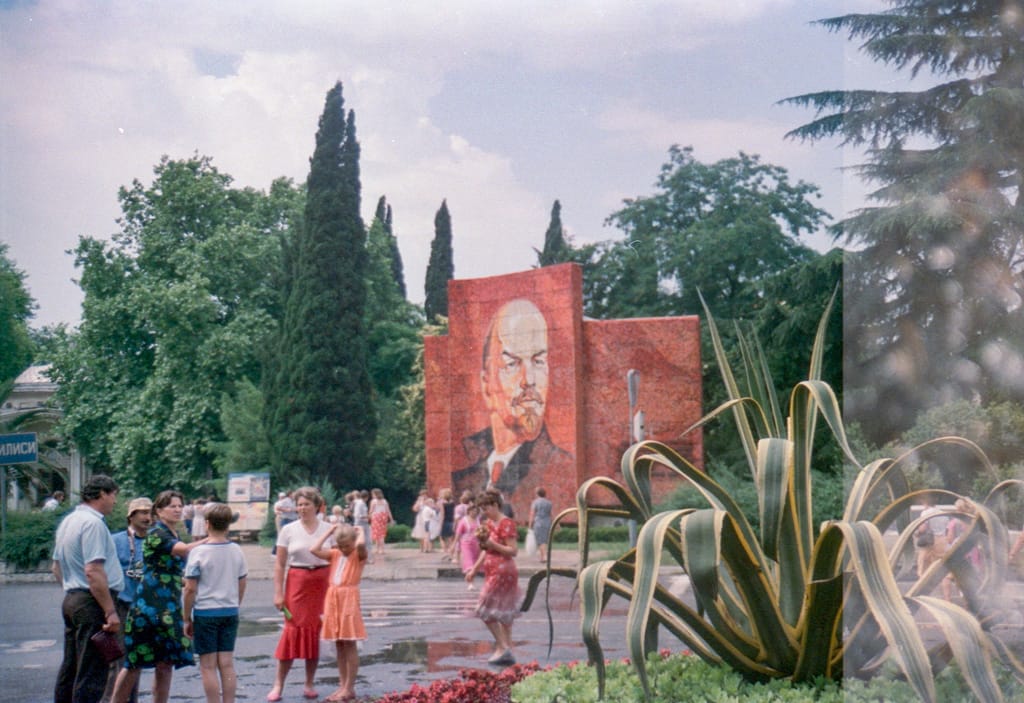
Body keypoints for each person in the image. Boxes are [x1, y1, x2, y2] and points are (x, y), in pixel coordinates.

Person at [452, 299, 573, 517]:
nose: (529, 380)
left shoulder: (564, 469)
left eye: (538, 361)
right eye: (512, 364)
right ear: (486, 384)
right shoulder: (464, 477)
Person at [112, 489, 208, 703]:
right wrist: (213, 538)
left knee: (165, 663)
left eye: (179, 506)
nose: (177, 509)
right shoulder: (157, 533)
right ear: (159, 510)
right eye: (172, 506)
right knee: (134, 663)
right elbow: (184, 550)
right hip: (149, 606)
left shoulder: (173, 533)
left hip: (169, 605)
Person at [52, 474, 124, 703]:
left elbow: (56, 566)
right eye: (113, 495)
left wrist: (73, 591)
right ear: (102, 494)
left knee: (71, 667)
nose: (114, 501)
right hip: (92, 601)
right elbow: (93, 570)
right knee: (92, 671)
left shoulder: (69, 521)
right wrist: (110, 611)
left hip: (74, 598)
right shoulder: (93, 523)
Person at [268, 486, 332, 702]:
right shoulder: (288, 530)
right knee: (292, 631)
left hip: (323, 583)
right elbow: (280, 564)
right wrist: (278, 593)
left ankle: (309, 683)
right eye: (299, 505)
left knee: (315, 633)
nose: (302, 508)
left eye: (307, 504)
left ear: (317, 506)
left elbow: (339, 556)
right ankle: (278, 684)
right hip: (297, 582)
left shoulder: (328, 528)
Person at [183, 503, 248, 703]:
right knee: (227, 664)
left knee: (208, 665)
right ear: (228, 525)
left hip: (206, 612)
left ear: (207, 524)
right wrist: (235, 603)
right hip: (229, 611)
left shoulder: (199, 552)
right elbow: (242, 582)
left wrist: (186, 617)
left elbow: (190, 588)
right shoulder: (236, 550)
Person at [103, 496, 153, 703]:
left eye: (150, 513)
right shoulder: (116, 540)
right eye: (143, 513)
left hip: (145, 606)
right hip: (121, 604)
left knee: (137, 658)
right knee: (120, 659)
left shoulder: (155, 541)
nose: (147, 518)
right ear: (131, 516)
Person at [311, 524, 368, 702]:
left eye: (347, 545)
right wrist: (329, 532)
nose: (344, 549)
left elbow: (361, 545)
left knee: (349, 643)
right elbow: (314, 549)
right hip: (333, 598)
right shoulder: (335, 554)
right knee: (339, 644)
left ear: (353, 542)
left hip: (348, 598)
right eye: (340, 545)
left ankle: (349, 687)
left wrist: (361, 531)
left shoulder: (358, 555)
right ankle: (342, 685)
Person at [465, 490, 520, 665]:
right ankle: (506, 649)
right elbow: (486, 550)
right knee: (502, 611)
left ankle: (503, 646)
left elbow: (513, 550)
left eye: (486, 508)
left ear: (496, 505)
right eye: (482, 509)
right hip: (492, 571)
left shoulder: (506, 523)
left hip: (503, 571)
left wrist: (492, 544)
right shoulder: (489, 523)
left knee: (484, 608)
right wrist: (474, 569)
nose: (484, 512)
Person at [915, 494, 949, 583]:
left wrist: (917, 533)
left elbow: (923, 528)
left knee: (924, 566)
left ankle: (922, 585)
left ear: (925, 502)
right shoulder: (943, 513)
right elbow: (946, 528)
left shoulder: (925, 513)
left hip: (929, 541)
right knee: (939, 566)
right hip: (942, 540)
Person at [455, 503, 482, 589]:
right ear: (469, 511)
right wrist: (454, 545)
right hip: (466, 544)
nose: (474, 513)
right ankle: (470, 583)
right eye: (473, 511)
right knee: (469, 563)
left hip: (476, 545)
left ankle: (470, 579)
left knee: (475, 564)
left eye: (476, 511)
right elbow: (458, 533)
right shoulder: (464, 520)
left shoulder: (478, 520)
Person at [528, 487, 553, 563]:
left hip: (538, 523)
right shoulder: (549, 503)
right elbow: (551, 514)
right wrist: (556, 524)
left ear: (537, 494)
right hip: (547, 523)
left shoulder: (535, 502)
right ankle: (542, 557)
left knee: (540, 540)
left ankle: (544, 556)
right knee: (544, 540)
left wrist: (530, 525)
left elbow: (532, 514)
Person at [368, 488, 394, 557]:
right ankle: (382, 549)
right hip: (383, 517)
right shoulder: (385, 501)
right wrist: (391, 519)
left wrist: (368, 516)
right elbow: (388, 510)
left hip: (376, 517)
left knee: (377, 533)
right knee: (382, 534)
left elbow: (371, 510)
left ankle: (377, 549)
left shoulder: (373, 501)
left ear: (375, 494)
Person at [438, 488, 456, 557]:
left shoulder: (442, 503)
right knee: (451, 539)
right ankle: (452, 554)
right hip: (452, 521)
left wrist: (441, 525)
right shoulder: (453, 503)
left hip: (445, 522)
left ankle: (446, 552)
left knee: (442, 537)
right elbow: (454, 513)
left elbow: (442, 514)